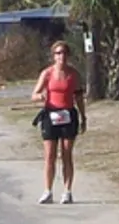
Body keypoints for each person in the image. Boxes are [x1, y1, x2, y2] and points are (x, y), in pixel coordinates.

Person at [30, 41, 86, 204]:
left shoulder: (73, 74)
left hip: (68, 115)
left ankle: (67, 192)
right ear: (53, 56)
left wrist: (83, 117)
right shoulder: (47, 73)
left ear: (68, 56)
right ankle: (48, 191)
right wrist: (39, 97)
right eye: (58, 53)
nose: (61, 56)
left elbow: (79, 97)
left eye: (64, 53)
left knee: (67, 154)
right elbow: (34, 94)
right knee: (50, 155)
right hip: (50, 115)